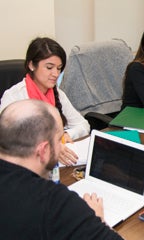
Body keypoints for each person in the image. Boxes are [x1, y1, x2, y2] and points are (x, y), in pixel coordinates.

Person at [0, 99, 134, 240]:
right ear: (44, 150)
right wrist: (97, 220)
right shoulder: (53, 201)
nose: (62, 146)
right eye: (59, 140)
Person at [0, 37, 90, 166]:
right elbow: (8, 142)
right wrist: (52, 145)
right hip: (26, 165)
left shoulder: (57, 93)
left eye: (59, 68)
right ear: (31, 65)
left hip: (58, 164)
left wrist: (65, 134)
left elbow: (83, 125)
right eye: (49, 67)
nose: (55, 74)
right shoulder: (14, 96)